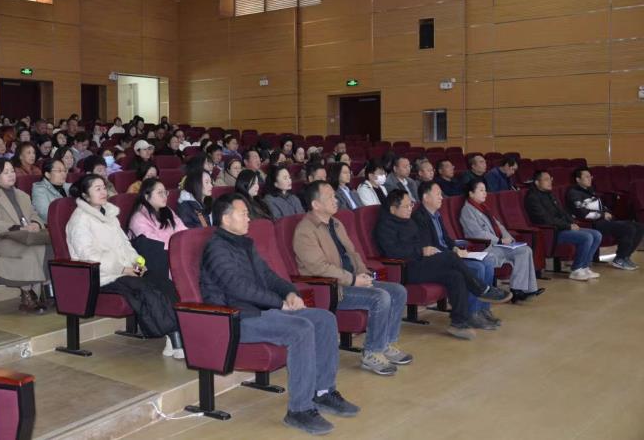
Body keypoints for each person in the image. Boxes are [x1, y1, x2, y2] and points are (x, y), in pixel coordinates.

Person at [202, 194, 359, 435]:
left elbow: (268, 276)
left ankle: (323, 392)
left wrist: (289, 292)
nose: (249, 218)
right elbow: (238, 288)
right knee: (301, 329)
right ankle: (299, 410)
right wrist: (279, 303)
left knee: (325, 319)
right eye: (243, 214)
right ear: (225, 218)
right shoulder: (216, 248)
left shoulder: (245, 243)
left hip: (261, 310)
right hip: (236, 318)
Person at [295, 181, 411, 375]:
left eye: (335, 195)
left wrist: (363, 273)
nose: (335, 200)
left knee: (398, 291)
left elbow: (353, 253)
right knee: (380, 297)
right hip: (332, 289)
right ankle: (371, 353)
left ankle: (386, 344)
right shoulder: (305, 231)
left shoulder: (336, 223)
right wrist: (353, 280)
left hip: (352, 280)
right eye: (330, 197)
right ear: (315, 204)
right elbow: (319, 268)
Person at [67, 174, 183, 357]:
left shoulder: (109, 215)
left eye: (104, 187)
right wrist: (123, 269)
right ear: (85, 195)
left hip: (124, 270)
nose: (103, 192)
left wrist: (137, 263)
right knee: (145, 288)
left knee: (163, 282)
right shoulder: (79, 220)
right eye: (97, 189)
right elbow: (88, 256)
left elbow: (125, 245)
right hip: (101, 275)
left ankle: (176, 333)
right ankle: (174, 335)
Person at [374, 189, 512, 340]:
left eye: (411, 205)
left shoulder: (408, 221)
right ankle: (481, 289)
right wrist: (421, 251)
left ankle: (459, 322)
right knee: (451, 257)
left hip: (421, 262)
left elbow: (420, 241)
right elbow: (393, 251)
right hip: (407, 268)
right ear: (393, 209)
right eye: (406, 206)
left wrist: (426, 249)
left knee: (455, 275)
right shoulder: (385, 226)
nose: (410, 209)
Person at [412, 181, 506, 331]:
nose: (441, 197)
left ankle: (483, 310)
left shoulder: (437, 215)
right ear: (425, 197)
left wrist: (455, 247)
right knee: (478, 268)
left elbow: (446, 239)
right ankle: (472, 314)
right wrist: (453, 253)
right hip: (440, 259)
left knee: (487, 262)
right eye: (437, 194)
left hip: (450, 254)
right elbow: (430, 247)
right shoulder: (419, 217)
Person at [0, 158, 51, 313]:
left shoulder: (22, 194)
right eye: (6, 172)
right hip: (5, 238)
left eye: (12, 171)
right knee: (31, 250)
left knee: (48, 247)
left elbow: (34, 214)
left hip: (25, 236)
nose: (11, 175)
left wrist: (36, 224)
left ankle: (38, 292)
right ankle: (28, 294)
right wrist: (17, 228)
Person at [460, 179, 544, 302]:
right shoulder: (467, 211)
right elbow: (477, 233)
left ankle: (518, 290)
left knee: (525, 250)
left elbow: (499, 226)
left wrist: (509, 238)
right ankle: (517, 291)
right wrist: (499, 240)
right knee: (521, 251)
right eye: (481, 190)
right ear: (471, 193)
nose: (485, 193)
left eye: (485, 190)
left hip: (499, 245)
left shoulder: (483, 208)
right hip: (487, 247)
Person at [525, 170, 603, 282]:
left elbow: (563, 212)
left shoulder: (550, 194)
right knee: (587, 237)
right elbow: (545, 219)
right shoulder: (532, 198)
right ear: (537, 182)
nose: (550, 182)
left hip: (563, 228)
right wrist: (568, 226)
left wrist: (572, 222)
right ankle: (576, 270)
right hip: (552, 232)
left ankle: (584, 266)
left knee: (597, 234)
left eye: (550, 179)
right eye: (546, 179)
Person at [566, 167, 643, 271]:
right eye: (586, 177)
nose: (590, 178)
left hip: (602, 220)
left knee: (639, 227)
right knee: (629, 228)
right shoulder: (573, 193)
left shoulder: (590, 190)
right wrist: (602, 215)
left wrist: (607, 213)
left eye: (590, 176)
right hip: (592, 223)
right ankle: (619, 259)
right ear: (578, 179)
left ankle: (625, 256)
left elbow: (601, 206)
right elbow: (582, 213)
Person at [31, 158, 71, 223]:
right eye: (59, 171)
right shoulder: (39, 189)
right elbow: (45, 214)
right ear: (48, 174)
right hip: (53, 225)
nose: (63, 174)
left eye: (64, 171)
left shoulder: (68, 187)